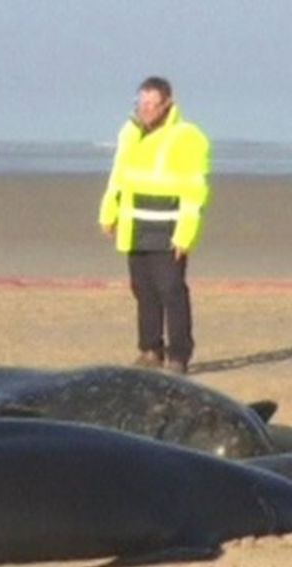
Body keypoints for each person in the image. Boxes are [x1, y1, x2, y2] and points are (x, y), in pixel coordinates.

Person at [98, 76, 211, 374]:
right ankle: (150, 349)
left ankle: (179, 355)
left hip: (168, 228)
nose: (146, 109)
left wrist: (185, 234)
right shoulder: (129, 133)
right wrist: (109, 212)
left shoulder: (187, 136)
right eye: (142, 103)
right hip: (134, 226)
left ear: (167, 104)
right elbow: (118, 176)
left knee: (171, 290)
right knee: (143, 290)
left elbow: (194, 190)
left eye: (152, 103)